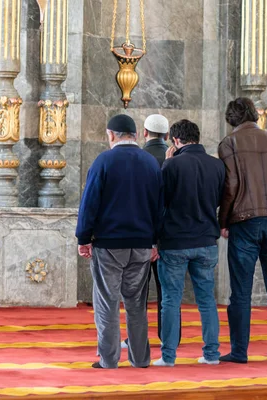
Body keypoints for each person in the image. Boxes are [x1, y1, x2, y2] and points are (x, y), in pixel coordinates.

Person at [76, 114, 163, 369]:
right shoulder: (150, 163)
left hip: (109, 245)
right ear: (135, 135)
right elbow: (160, 207)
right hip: (142, 245)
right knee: (137, 305)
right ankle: (140, 358)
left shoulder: (104, 160)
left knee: (107, 302)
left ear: (111, 135)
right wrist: (155, 241)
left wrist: (84, 237)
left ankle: (109, 359)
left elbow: (89, 203)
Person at [218, 97, 267, 364]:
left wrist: (223, 221)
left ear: (231, 119)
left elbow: (230, 188)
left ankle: (239, 351)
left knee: (241, 291)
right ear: (254, 115)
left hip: (244, 221)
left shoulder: (230, 143)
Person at [153, 119, 225, 367]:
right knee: (206, 300)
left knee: (171, 300)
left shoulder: (172, 165)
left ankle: (168, 356)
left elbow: (160, 203)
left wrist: (167, 162)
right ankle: (212, 355)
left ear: (175, 140)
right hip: (206, 240)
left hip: (174, 242)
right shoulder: (217, 166)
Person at [121, 114, 181, 350]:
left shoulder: (138, 158)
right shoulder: (177, 159)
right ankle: (170, 337)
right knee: (169, 291)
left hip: (142, 235)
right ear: (167, 136)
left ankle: (135, 338)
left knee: (138, 292)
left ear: (144, 133)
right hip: (171, 236)